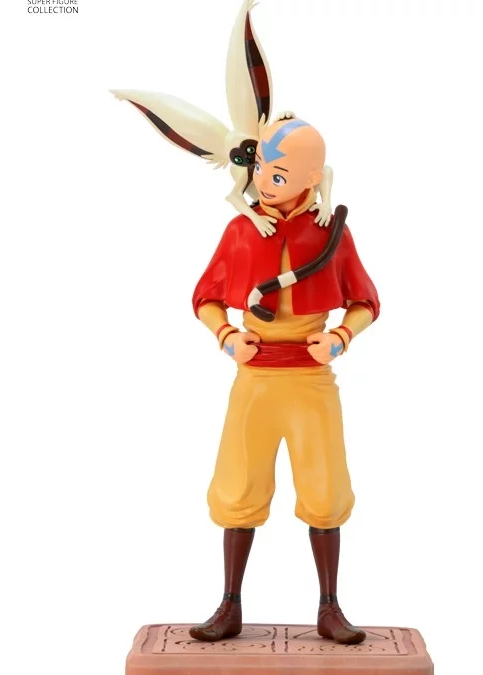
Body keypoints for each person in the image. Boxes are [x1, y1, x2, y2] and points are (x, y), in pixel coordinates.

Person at [190, 117, 380, 645]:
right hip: (254, 377)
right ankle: (230, 603)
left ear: (313, 177)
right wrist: (226, 335)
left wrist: (340, 336)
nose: (262, 182)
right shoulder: (241, 231)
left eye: (278, 174)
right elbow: (205, 297)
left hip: (310, 380)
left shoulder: (329, 233)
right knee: (239, 486)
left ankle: (329, 606)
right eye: (260, 170)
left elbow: (366, 301)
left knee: (325, 489)